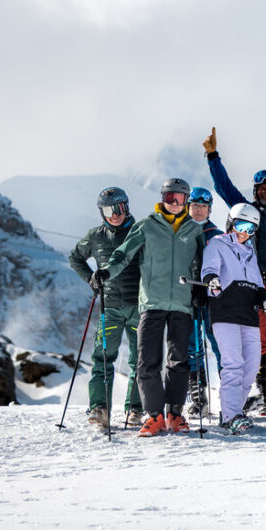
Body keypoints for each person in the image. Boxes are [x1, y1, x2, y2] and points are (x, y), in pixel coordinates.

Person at [99, 178, 206, 437]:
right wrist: (106, 272)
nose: (174, 203)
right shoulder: (147, 226)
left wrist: (201, 290)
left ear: (186, 201)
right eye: (170, 197)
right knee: (147, 361)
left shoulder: (194, 230)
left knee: (179, 360)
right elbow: (123, 254)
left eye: (180, 199)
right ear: (162, 198)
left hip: (182, 304)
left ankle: (175, 414)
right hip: (151, 303)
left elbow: (202, 264)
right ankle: (154, 416)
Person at [202, 127, 266, 414]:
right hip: (251, 288)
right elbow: (224, 189)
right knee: (260, 342)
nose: (265, 191)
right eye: (260, 188)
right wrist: (213, 157)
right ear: (255, 191)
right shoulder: (246, 212)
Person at [67, 187, 144, 428]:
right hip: (109, 307)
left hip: (139, 306)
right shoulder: (95, 236)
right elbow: (75, 257)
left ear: (127, 206)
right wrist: (91, 278)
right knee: (102, 356)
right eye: (108, 210)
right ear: (101, 212)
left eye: (119, 208)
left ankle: (135, 410)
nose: (115, 214)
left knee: (140, 359)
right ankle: (100, 408)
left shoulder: (140, 232)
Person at [201, 203, 266, 434]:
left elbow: (257, 283)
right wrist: (212, 280)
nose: (244, 232)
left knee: (251, 367)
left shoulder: (250, 252)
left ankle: (234, 412)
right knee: (233, 364)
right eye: (240, 225)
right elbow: (209, 269)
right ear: (230, 223)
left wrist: (265, 301)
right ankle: (231, 415)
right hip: (225, 312)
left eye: (250, 229)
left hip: (248, 315)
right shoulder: (217, 244)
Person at [185, 186, 223, 417]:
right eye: (195, 205)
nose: (198, 210)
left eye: (203, 206)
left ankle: (228, 395)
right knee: (193, 346)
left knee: (219, 344)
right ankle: (199, 396)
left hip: (213, 298)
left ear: (209, 209)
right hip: (187, 297)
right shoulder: (181, 233)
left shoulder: (216, 234)